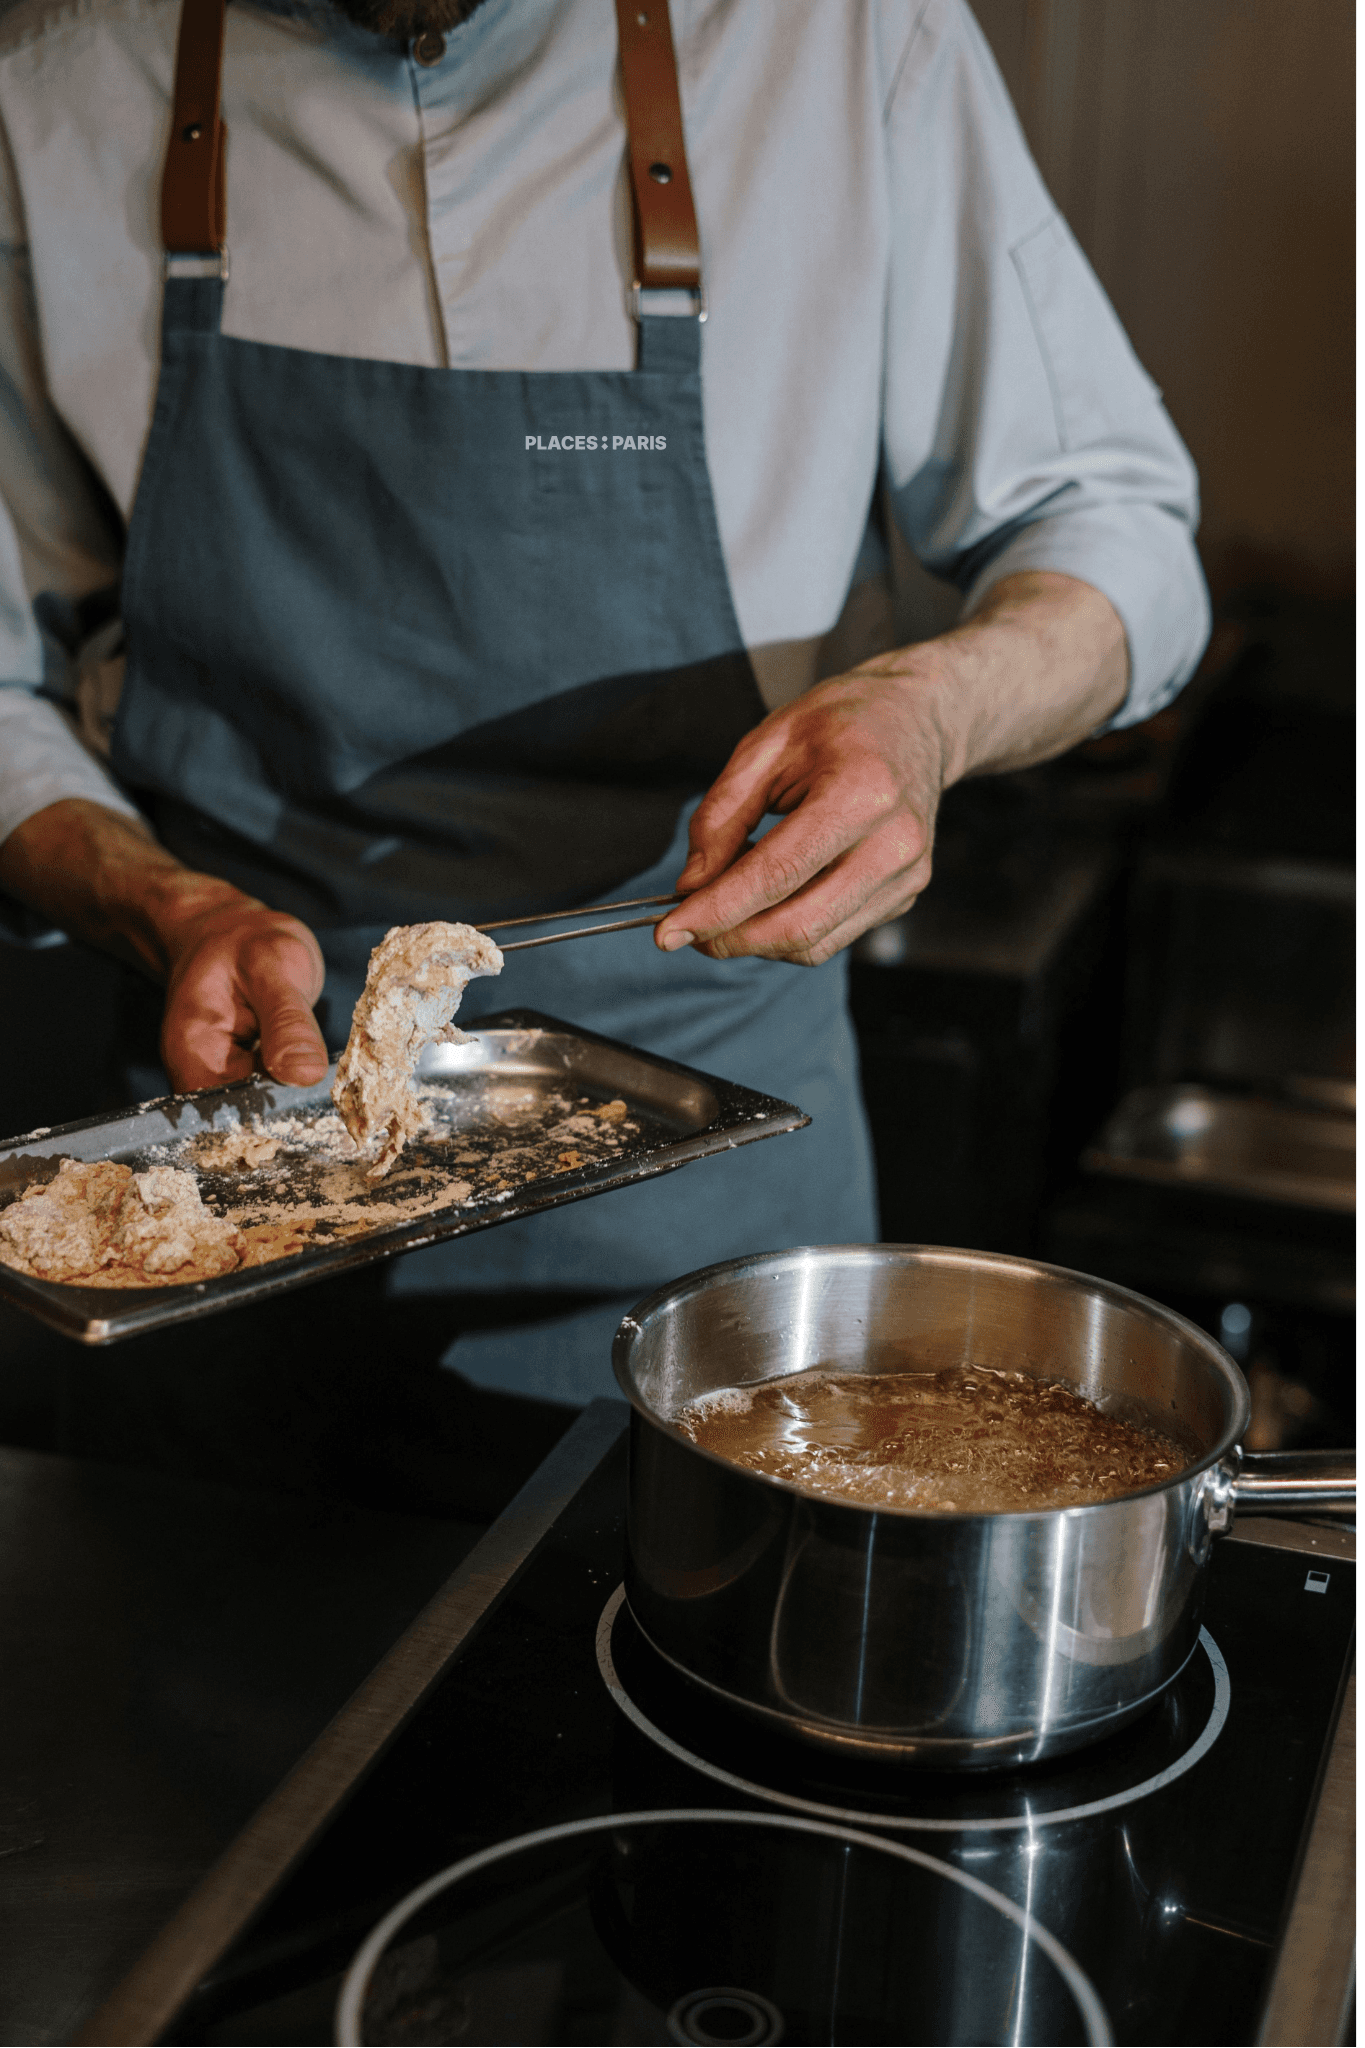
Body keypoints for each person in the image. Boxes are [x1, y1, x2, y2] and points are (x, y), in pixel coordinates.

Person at [0, 0, 1207, 1405]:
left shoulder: (844, 42)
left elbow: (1114, 525)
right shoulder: (63, 82)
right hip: (215, 1186)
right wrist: (158, 902)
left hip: (708, 1188)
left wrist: (930, 710)